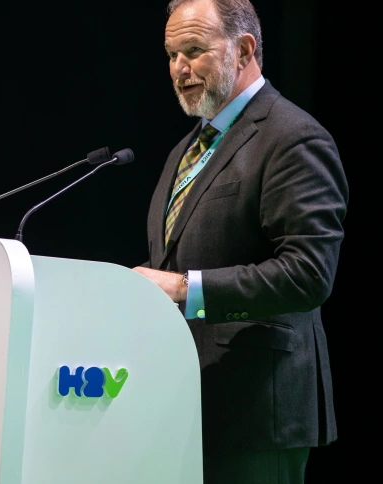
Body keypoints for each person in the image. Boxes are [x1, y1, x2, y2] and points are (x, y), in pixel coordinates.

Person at [132, 0, 348, 482]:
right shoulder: (184, 152)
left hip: (258, 412)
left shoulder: (293, 138)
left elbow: (308, 273)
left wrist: (186, 290)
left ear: (244, 49)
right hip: (189, 406)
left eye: (193, 50)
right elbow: (173, 259)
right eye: (171, 55)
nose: (178, 69)